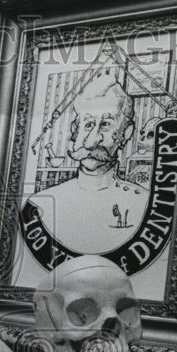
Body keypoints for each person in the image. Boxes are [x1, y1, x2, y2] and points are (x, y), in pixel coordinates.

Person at [23, 70, 148, 254]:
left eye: (105, 124)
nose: (91, 141)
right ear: (75, 130)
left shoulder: (142, 204)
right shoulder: (40, 206)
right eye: (88, 124)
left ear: (126, 134)